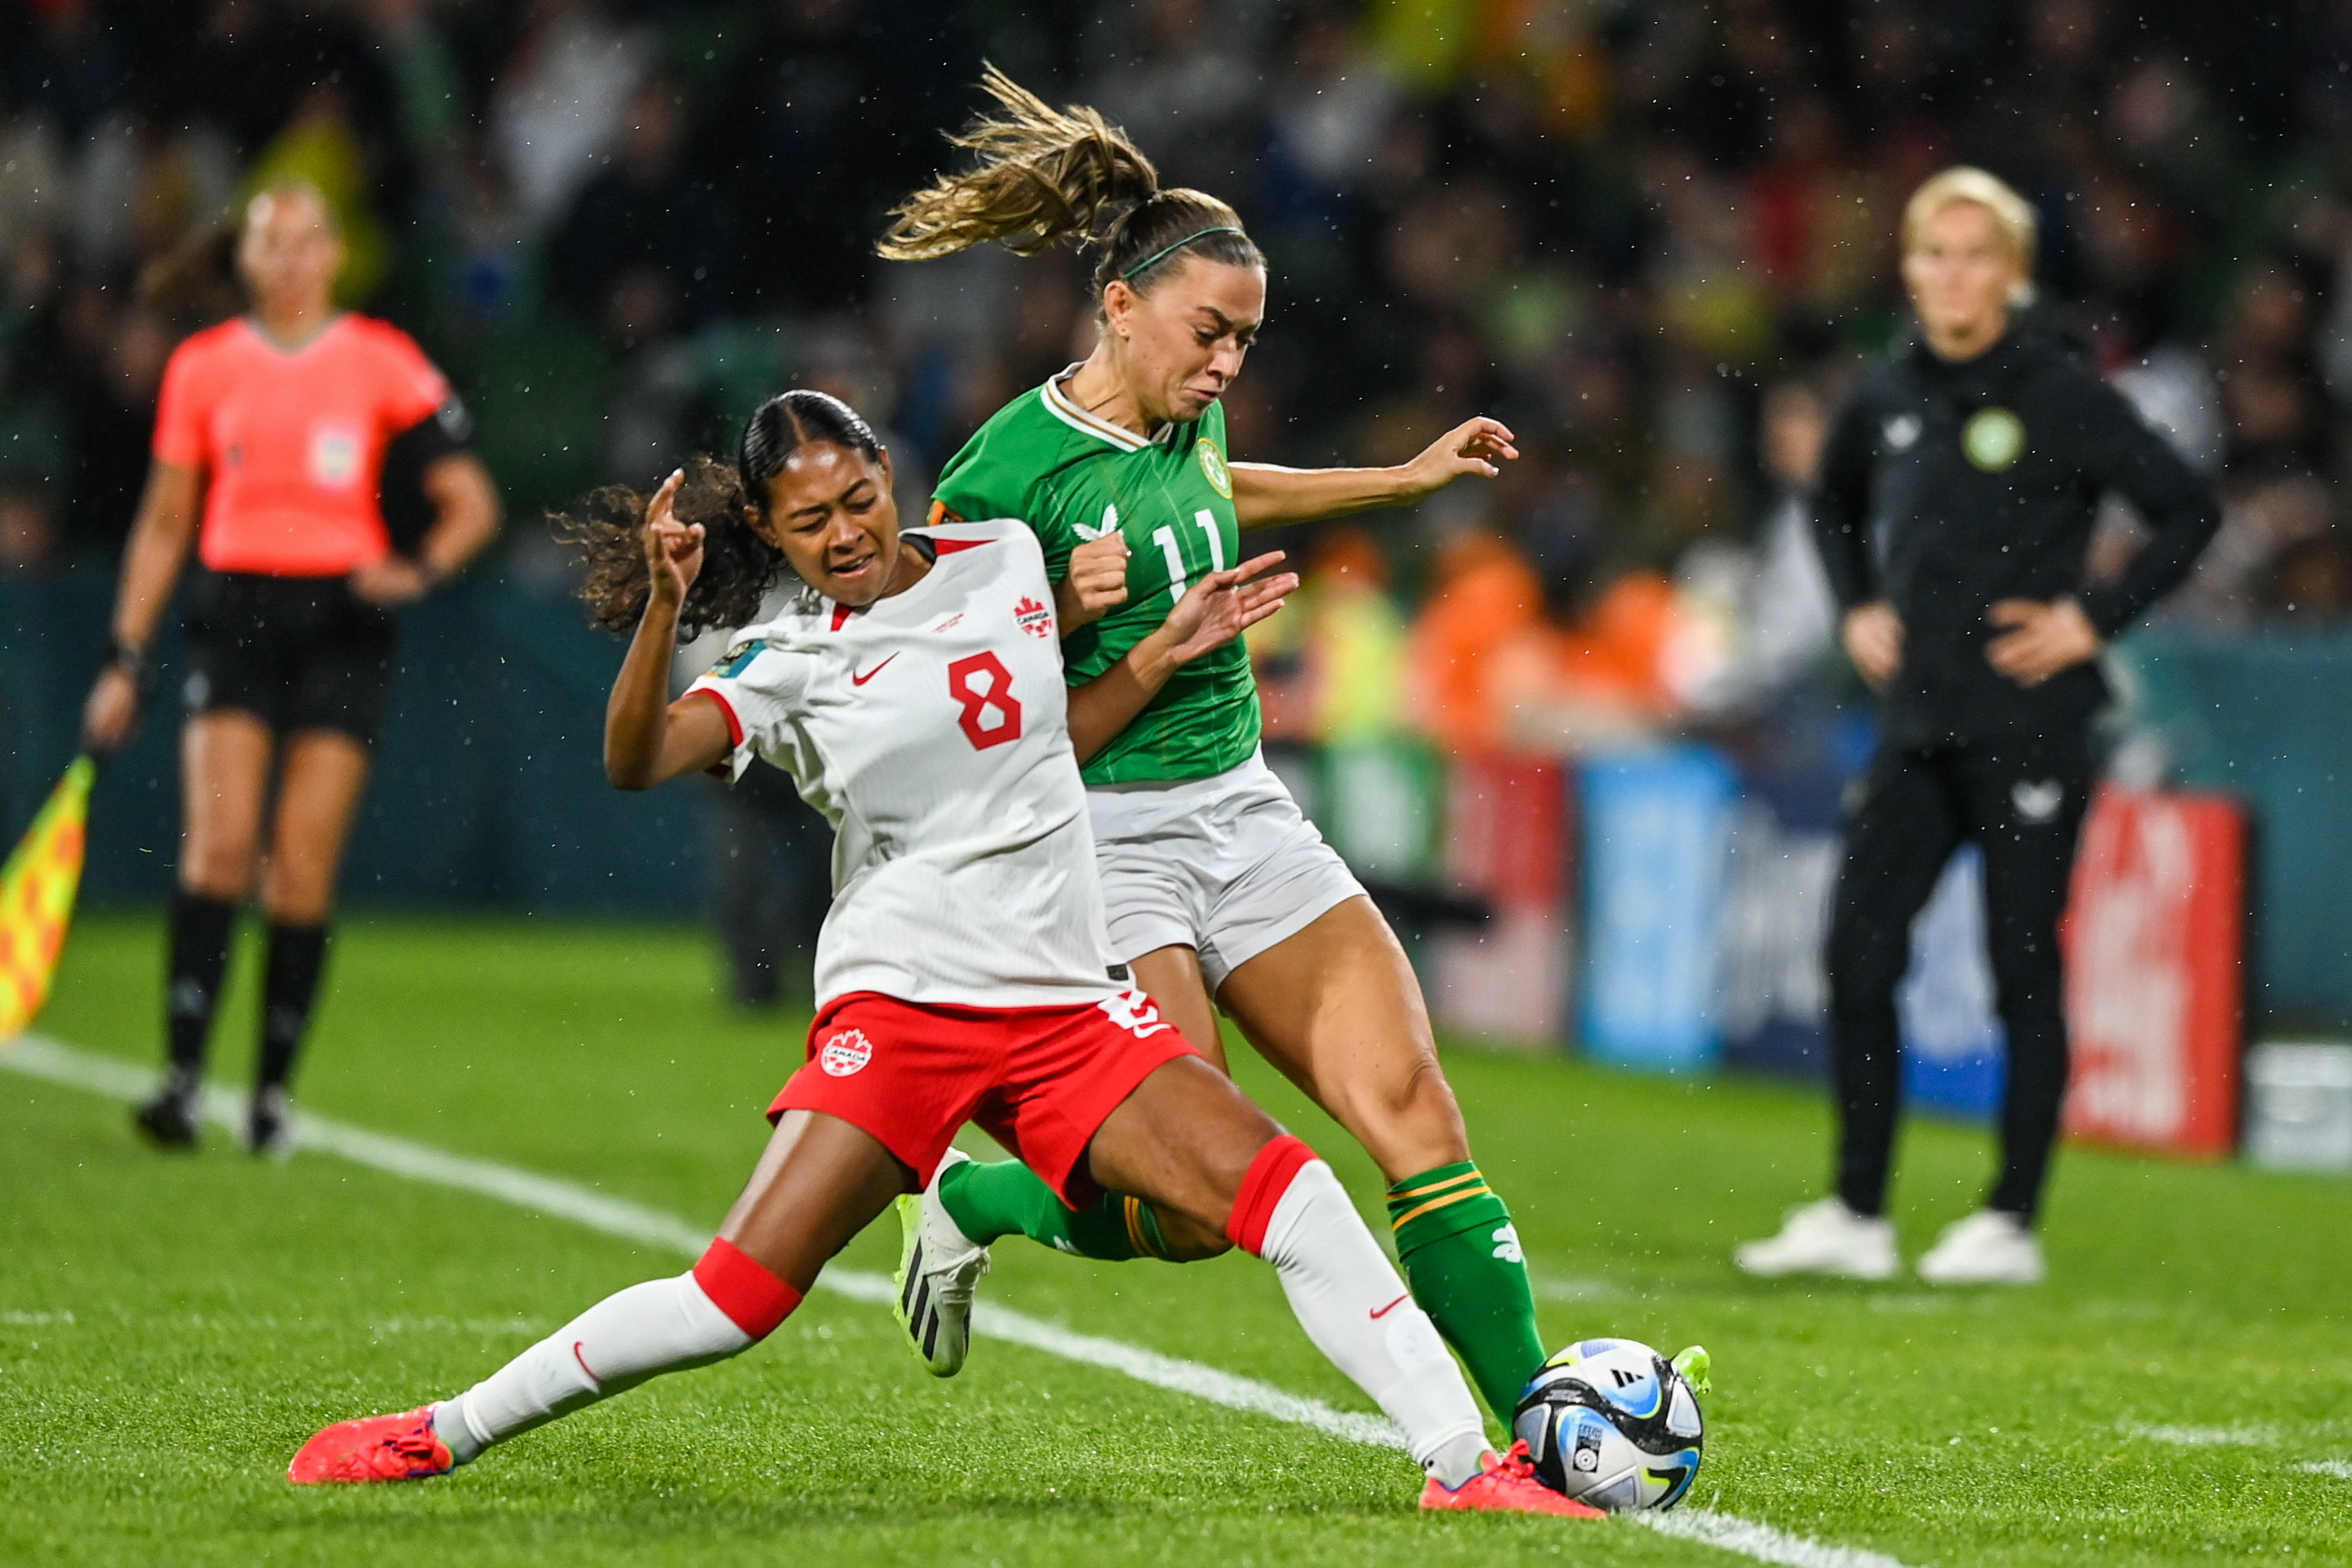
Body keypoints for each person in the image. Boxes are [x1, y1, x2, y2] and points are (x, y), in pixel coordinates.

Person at [284, 391, 1592, 1517]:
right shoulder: (784, 661)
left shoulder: (1003, 555)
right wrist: (662, 612)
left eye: (857, 497)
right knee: (729, 1302)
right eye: (809, 521)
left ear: (888, 474)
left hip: (1067, 1008)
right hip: (905, 1010)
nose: (844, 532)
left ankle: (1459, 1464)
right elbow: (636, 760)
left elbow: (1045, 735)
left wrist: (1154, 653)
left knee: (1288, 1196)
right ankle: (441, 1429)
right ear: (770, 535)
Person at [874, 70, 1547, 1424]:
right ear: (1118, 304)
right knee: (1191, 1203)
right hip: (1099, 843)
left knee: (1413, 1108)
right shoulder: (999, 477)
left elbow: (1211, 486)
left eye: (1244, 338)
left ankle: (1544, 1431)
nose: (1229, 363)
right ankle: (974, 1195)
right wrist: (1070, 611)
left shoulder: (1188, 408)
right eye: (1208, 332)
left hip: (1243, 808)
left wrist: (1399, 477)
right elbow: (952, 712)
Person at [1735, 169, 2219, 1286]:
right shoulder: (1887, 390)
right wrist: (1856, 603)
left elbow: (2187, 507)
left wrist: (2090, 619)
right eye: (1932, 254)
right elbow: (1831, 501)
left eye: (1973, 255)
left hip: (2029, 726)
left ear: (2011, 275)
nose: (1951, 275)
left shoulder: (2060, 392)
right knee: (1857, 953)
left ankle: (2008, 1219)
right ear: (1908, 270)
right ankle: (1857, 1210)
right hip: (1916, 724)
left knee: (2019, 964)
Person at [81, 183, 500, 1156]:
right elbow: (165, 521)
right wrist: (124, 656)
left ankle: (269, 1096)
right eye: (272, 242)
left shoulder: (381, 358)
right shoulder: (203, 366)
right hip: (235, 614)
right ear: (246, 257)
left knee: (301, 868)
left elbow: (471, 501)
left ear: (335, 254)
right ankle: (182, 1081)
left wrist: (418, 569)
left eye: (308, 241)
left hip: (342, 622)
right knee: (220, 849)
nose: (290, 259)